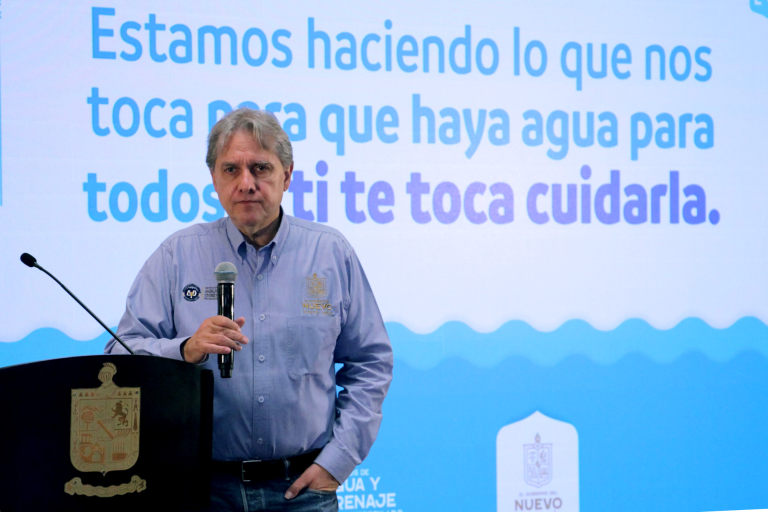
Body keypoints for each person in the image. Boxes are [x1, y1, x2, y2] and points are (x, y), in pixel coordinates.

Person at [105, 108, 393, 511]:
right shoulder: (176, 256)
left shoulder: (330, 253)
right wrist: (185, 349)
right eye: (231, 170)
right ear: (214, 180)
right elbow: (118, 355)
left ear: (287, 175)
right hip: (204, 490)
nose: (246, 184)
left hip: (304, 491)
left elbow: (371, 362)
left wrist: (340, 458)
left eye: (260, 168)